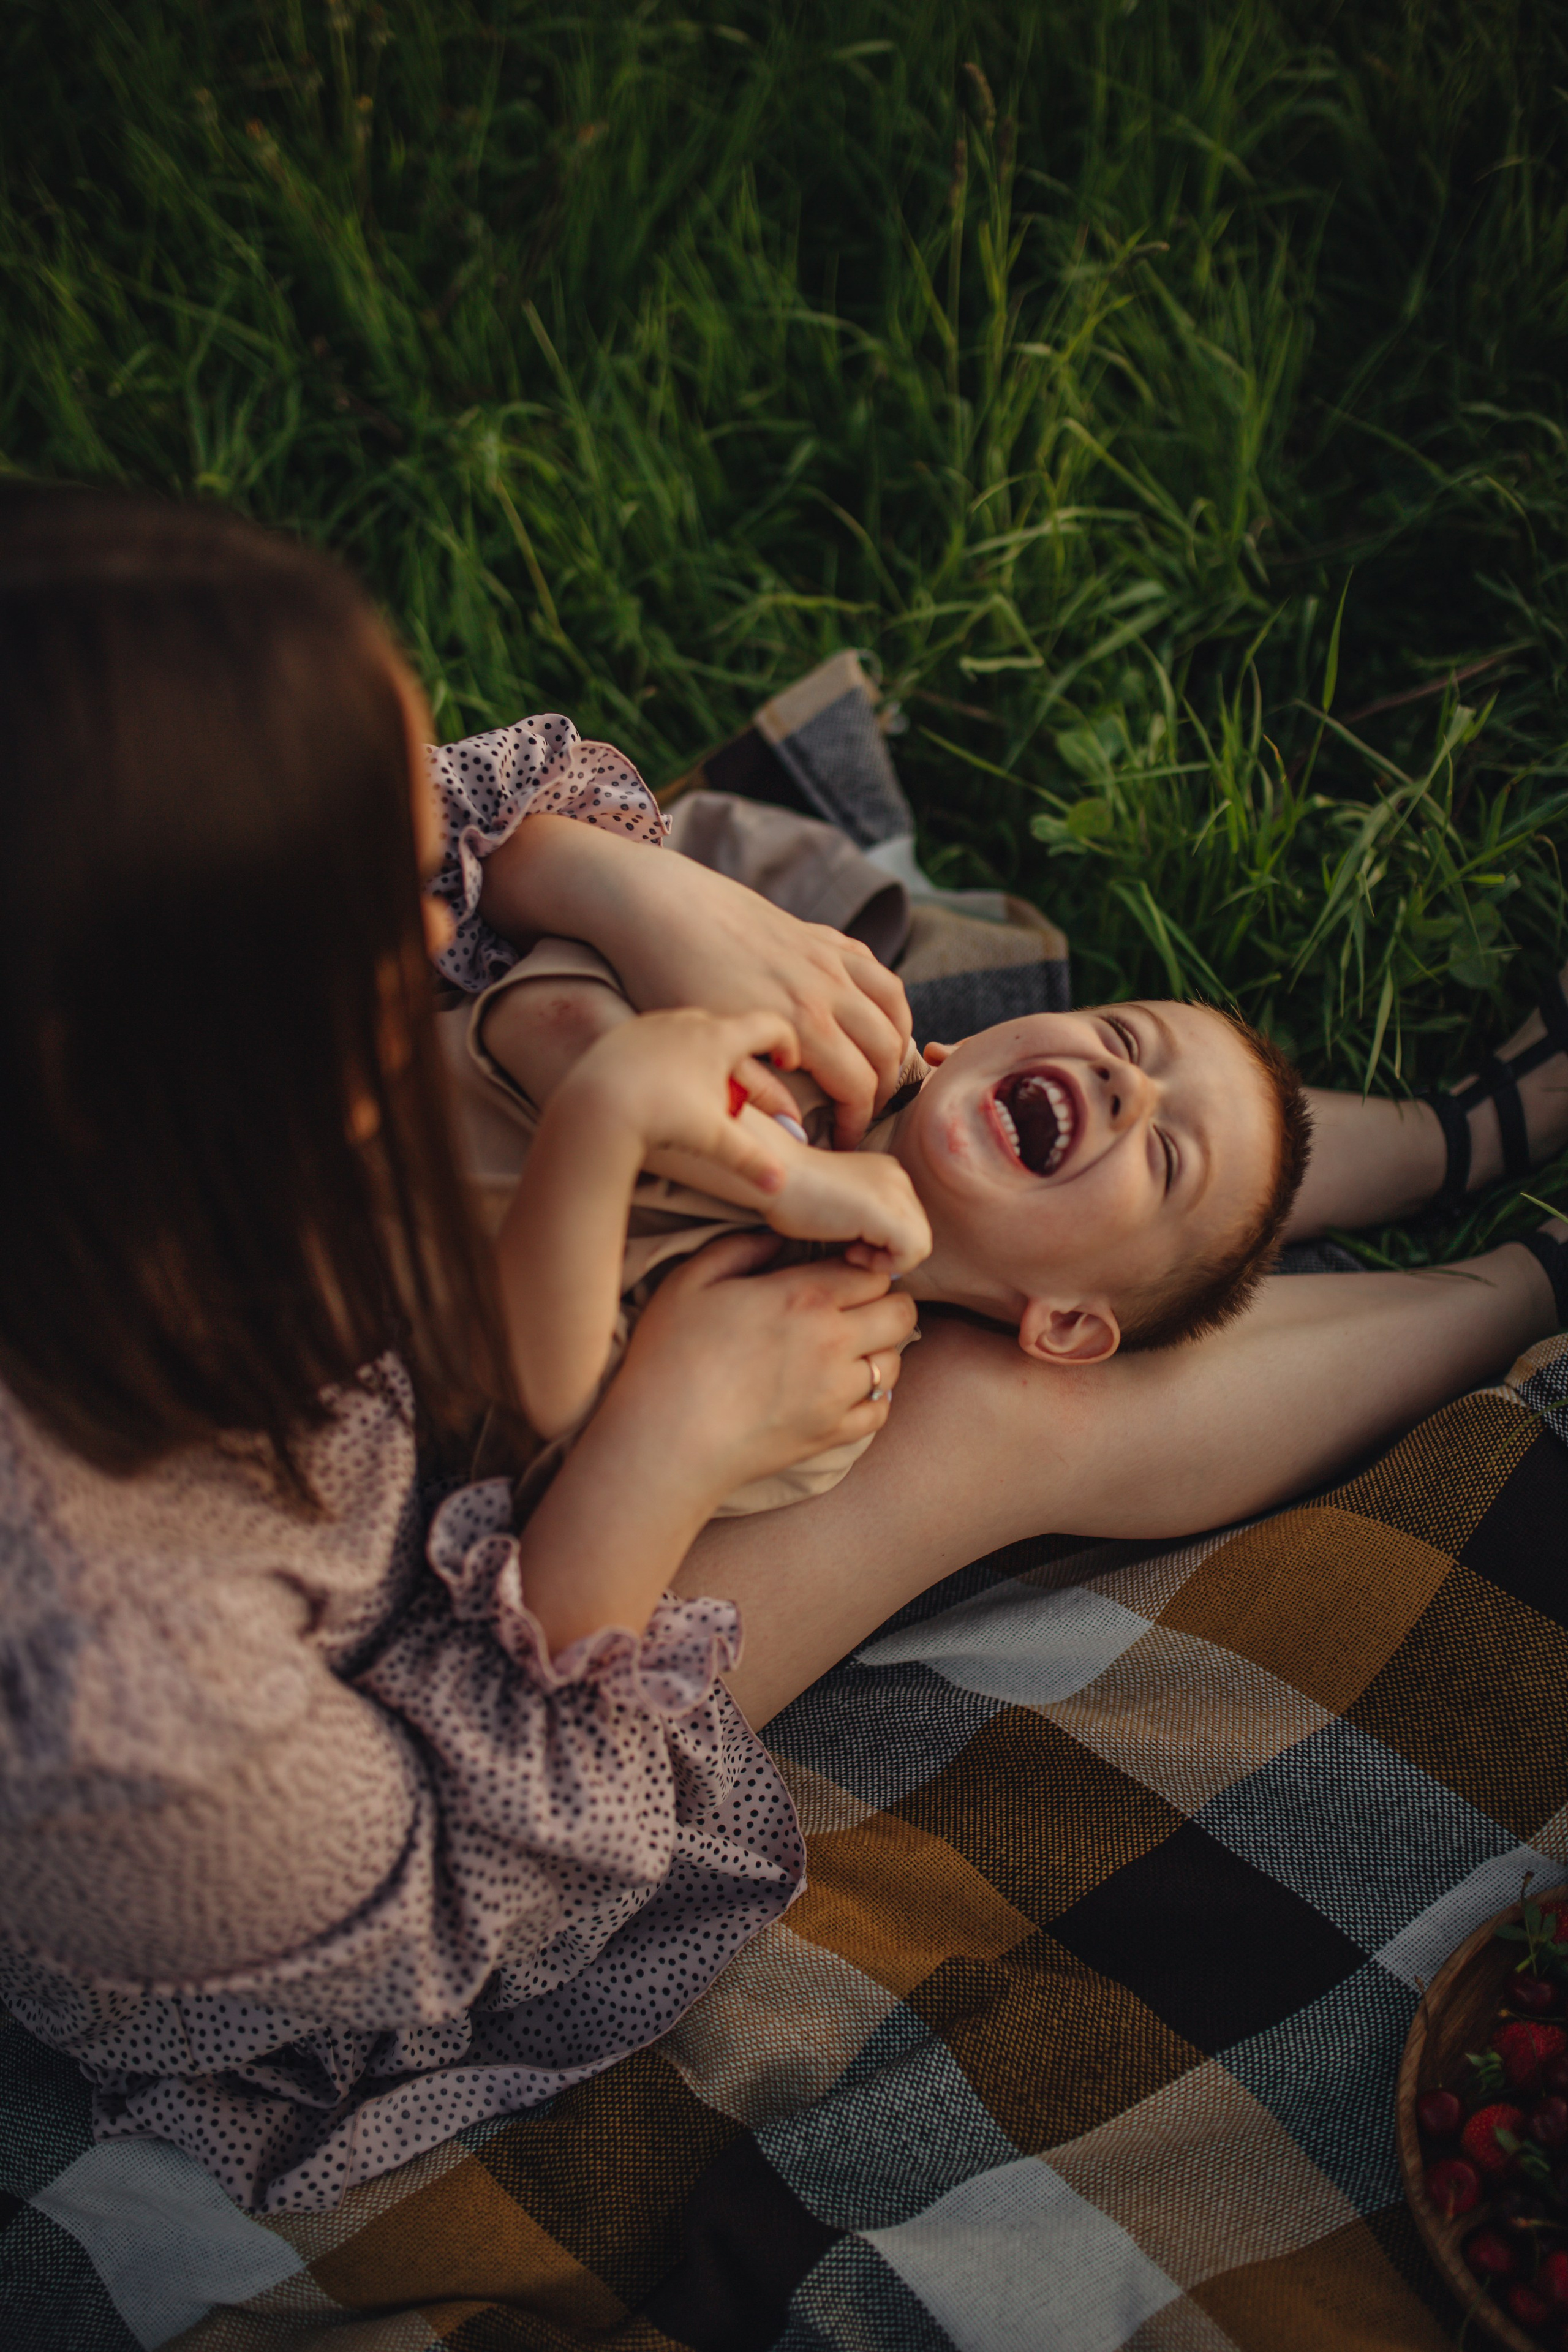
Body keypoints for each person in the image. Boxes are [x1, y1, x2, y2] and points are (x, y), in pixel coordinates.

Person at [1, 484, 1563, 2222]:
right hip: (478, 1741)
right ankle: (1520, 1282)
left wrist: (580, 871)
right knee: (988, 1405)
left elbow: (387, 865)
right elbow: (447, 1872)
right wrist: (663, 1441)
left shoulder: (140, 1032)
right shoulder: (121, 1697)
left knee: (1097, 1173)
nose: (443, 897)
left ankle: (1442, 1137)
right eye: (390, 913)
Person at [449, 933, 1311, 1512]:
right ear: (965, 1045)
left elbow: (526, 1418)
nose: (1128, 1085)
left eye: (1165, 1159)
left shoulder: (826, 1388)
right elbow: (539, 1005)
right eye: (1123, 1037)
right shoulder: (820, 1039)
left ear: (1067, 1320)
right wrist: (783, 1170)